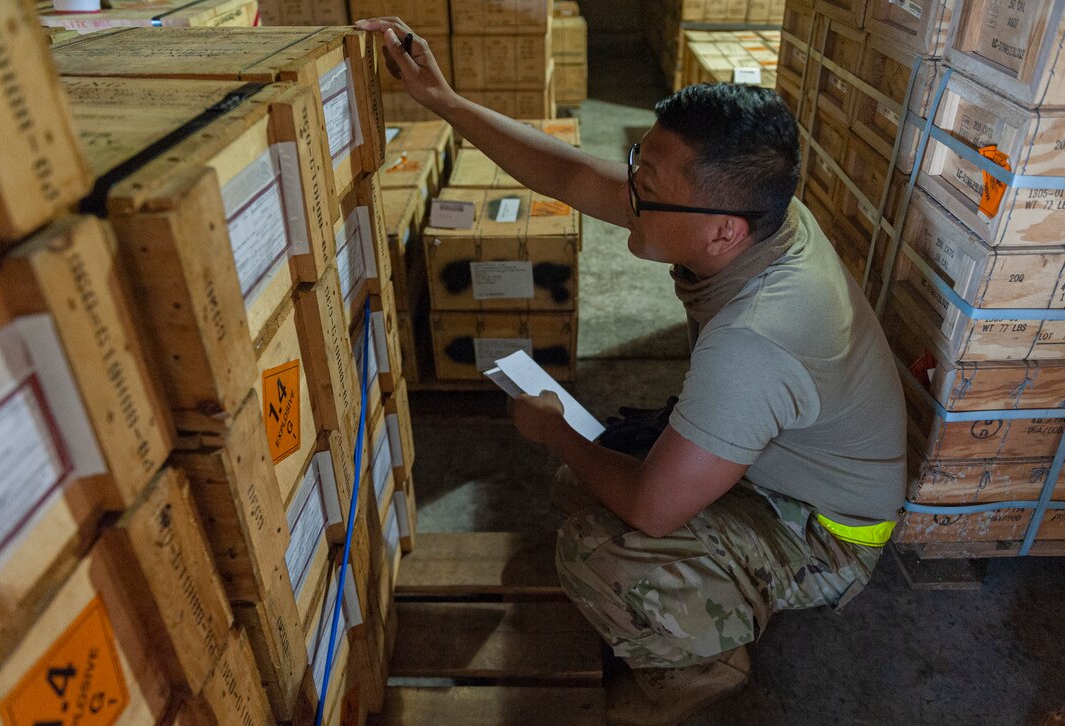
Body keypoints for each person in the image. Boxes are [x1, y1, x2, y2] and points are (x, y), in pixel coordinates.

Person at [355, 17, 906, 726]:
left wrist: (556, 432)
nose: (628, 195)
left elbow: (652, 509)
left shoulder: (754, 341)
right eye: (637, 167)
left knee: (597, 551)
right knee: (583, 485)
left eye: (646, 186)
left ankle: (698, 668)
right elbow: (571, 174)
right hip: (786, 458)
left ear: (722, 230)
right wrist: (447, 103)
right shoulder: (751, 211)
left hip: (827, 528)